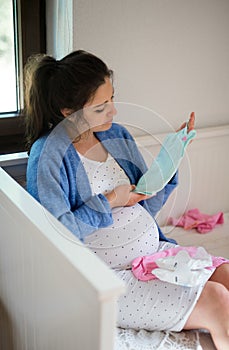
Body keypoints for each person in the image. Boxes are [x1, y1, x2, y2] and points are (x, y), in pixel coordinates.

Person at [24, 50, 229, 350]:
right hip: (109, 279)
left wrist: (168, 162)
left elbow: (143, 201)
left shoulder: (114, 135)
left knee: (226, 277)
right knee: (217, 300)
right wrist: (110, 200)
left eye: (112, 99)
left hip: (153, 253)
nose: (113, 112)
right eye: (101, 107)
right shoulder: (48, 156)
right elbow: (59, 233)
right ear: (68, 112)